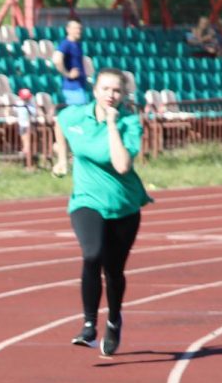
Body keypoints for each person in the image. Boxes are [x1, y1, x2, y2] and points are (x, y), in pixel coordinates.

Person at [52, 67, 152, 357]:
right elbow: (58, 122)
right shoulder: (75, 115)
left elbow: (122, 165)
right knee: (92, 254)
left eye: (117, 91)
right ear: (95, 91)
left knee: (114, 271)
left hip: (123, 206)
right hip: (86, 200)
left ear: (124, 95)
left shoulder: (130, 123)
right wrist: (61, 158)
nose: (111, 95)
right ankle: (88, 325)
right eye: (106, 89)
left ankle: (114, 319)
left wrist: (111, 125)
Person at [53, 19, 89, 106]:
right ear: (68, 29)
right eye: (76, 28)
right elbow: (56, 59)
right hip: (72, 87)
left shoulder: (77, 44)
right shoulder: (66, 44)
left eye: (80, 28)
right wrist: (67, 74)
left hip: (80, 85)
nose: (79, 31)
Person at [14, 87, 38, 169]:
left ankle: (27, 162)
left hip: (27, 126)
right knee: (27, 145)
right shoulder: (24, 105)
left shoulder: (20, 104)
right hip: (25, 126)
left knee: (28, 145)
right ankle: (27, 163)